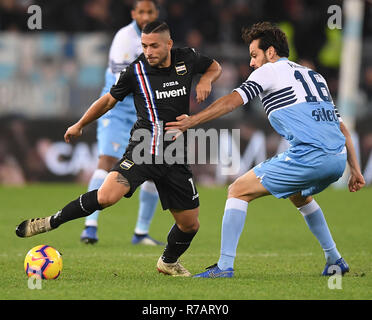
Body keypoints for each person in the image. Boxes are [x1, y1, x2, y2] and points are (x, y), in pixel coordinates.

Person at [15, 20, 222, 277]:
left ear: (169, 44)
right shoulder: (136, 71)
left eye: (154, 46)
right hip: (143, 150)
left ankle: (168, 262)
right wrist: (80, 124)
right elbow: (108, 101)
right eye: (145, 45)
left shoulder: (187, 58)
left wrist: (207, 81)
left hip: (175, 154)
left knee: (190, 224)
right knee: (106, 196)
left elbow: (214, 67)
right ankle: (49, 222)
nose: (148, 51)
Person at [165, 22, 365, 278]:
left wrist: (192, 121)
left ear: (271, 52)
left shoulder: (270, 71)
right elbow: (343, 129)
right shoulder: (314, 76)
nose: (251, 63)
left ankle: (224, 266)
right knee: (299, 195)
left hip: (311, 156)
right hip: (337, 160)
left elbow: (231, 102)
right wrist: (355, 170)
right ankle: (334, 259)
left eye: (254, 55)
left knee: (237, 190)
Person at [80, 0, 162, 246]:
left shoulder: (162, 37)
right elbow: (122, 84)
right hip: (116, 108)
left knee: (154, 168)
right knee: (106, 160)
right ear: (133, 13)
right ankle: (90, 225)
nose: (146, 16)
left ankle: (140, 233)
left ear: (156, 13)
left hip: (144, 111)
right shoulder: (124, 38)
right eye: (142, 11)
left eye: (150, 11)